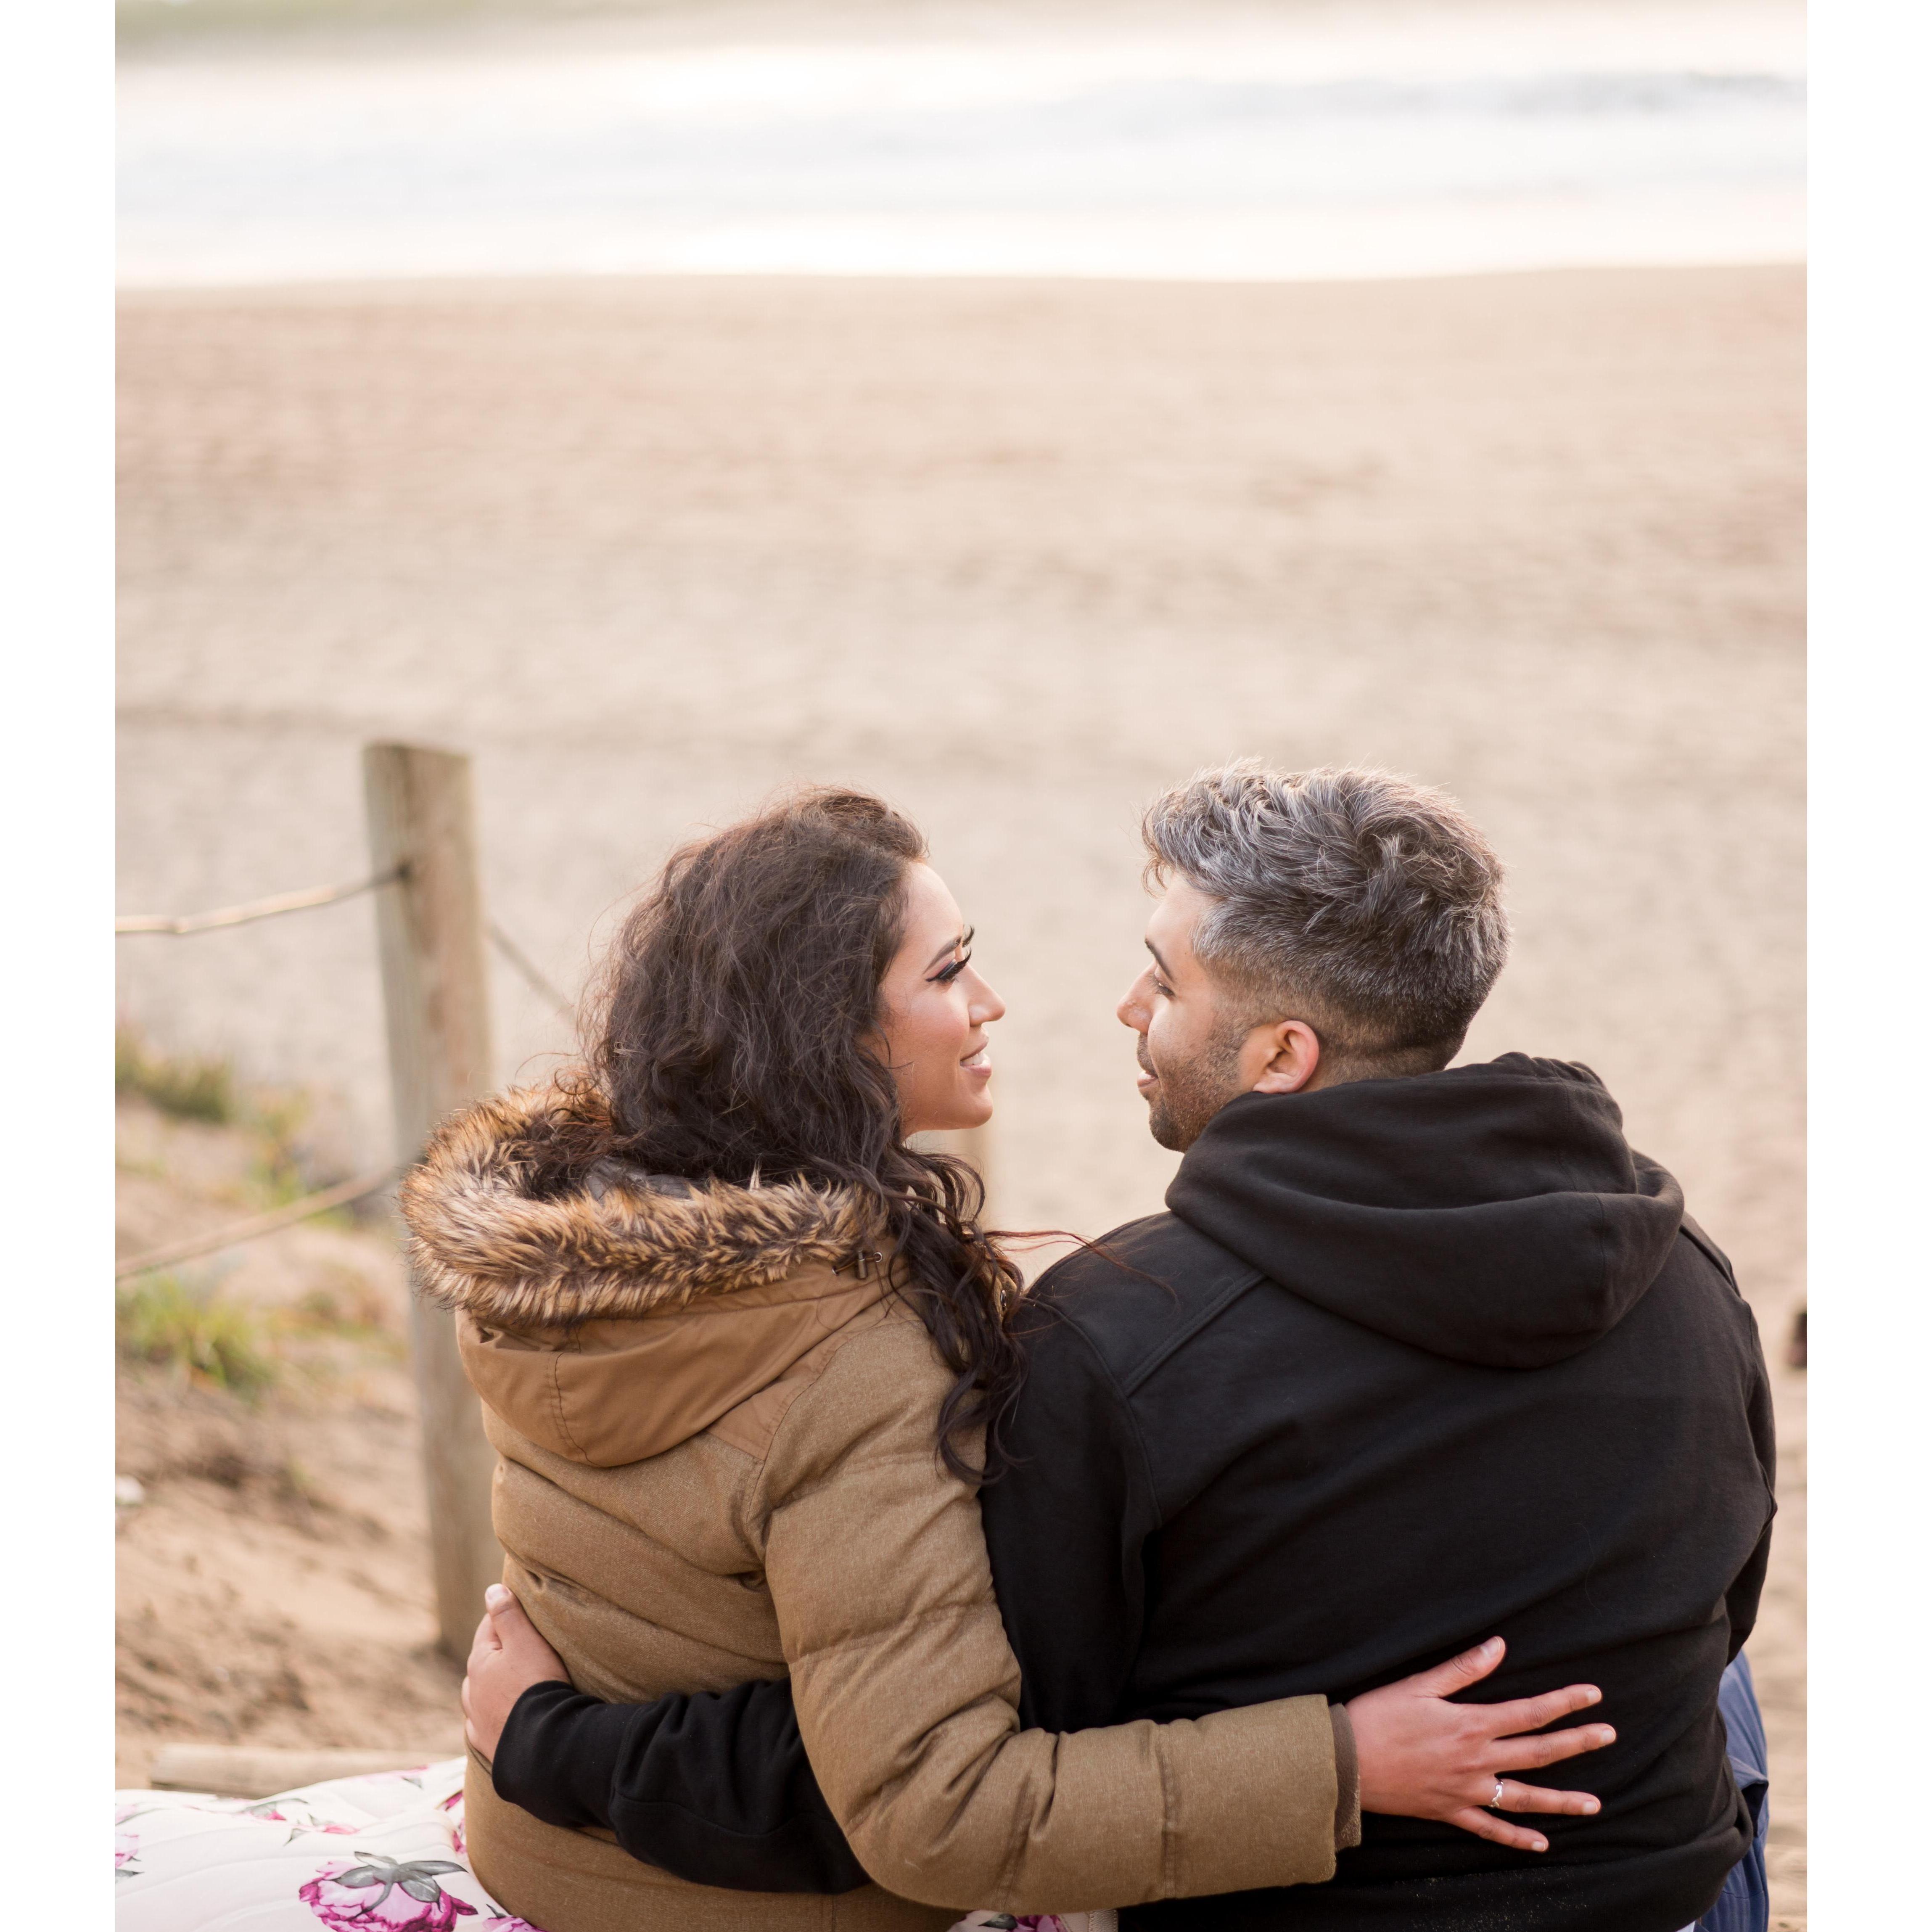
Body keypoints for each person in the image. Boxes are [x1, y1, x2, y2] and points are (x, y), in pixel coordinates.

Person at [104, 782, 1611, 1932]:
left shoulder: (588, 1235)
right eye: (950, 971)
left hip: (549, 1849)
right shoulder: (847, 1351)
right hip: (743, 1905)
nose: (995, 1002)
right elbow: (941, 1809)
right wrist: (1341, 1761)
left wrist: (549, 1743)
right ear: (833, 1034)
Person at [460, 765, 1777, 1932]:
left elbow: (953, 1775)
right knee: (1721, 1696)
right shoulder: (1682, 1266)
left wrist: (556, 1742)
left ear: (1281, 1051)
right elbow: (1727, 1601)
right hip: (1672, 1893)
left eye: (1164, 979)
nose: (1120, 1004)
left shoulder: (1113, 1338)